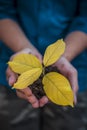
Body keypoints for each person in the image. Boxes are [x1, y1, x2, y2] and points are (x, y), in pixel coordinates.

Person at [0, 0, 87, 130]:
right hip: (11, 62)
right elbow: (2, 11)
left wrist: (64, 56)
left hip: (74, 65)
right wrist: (23, 47)